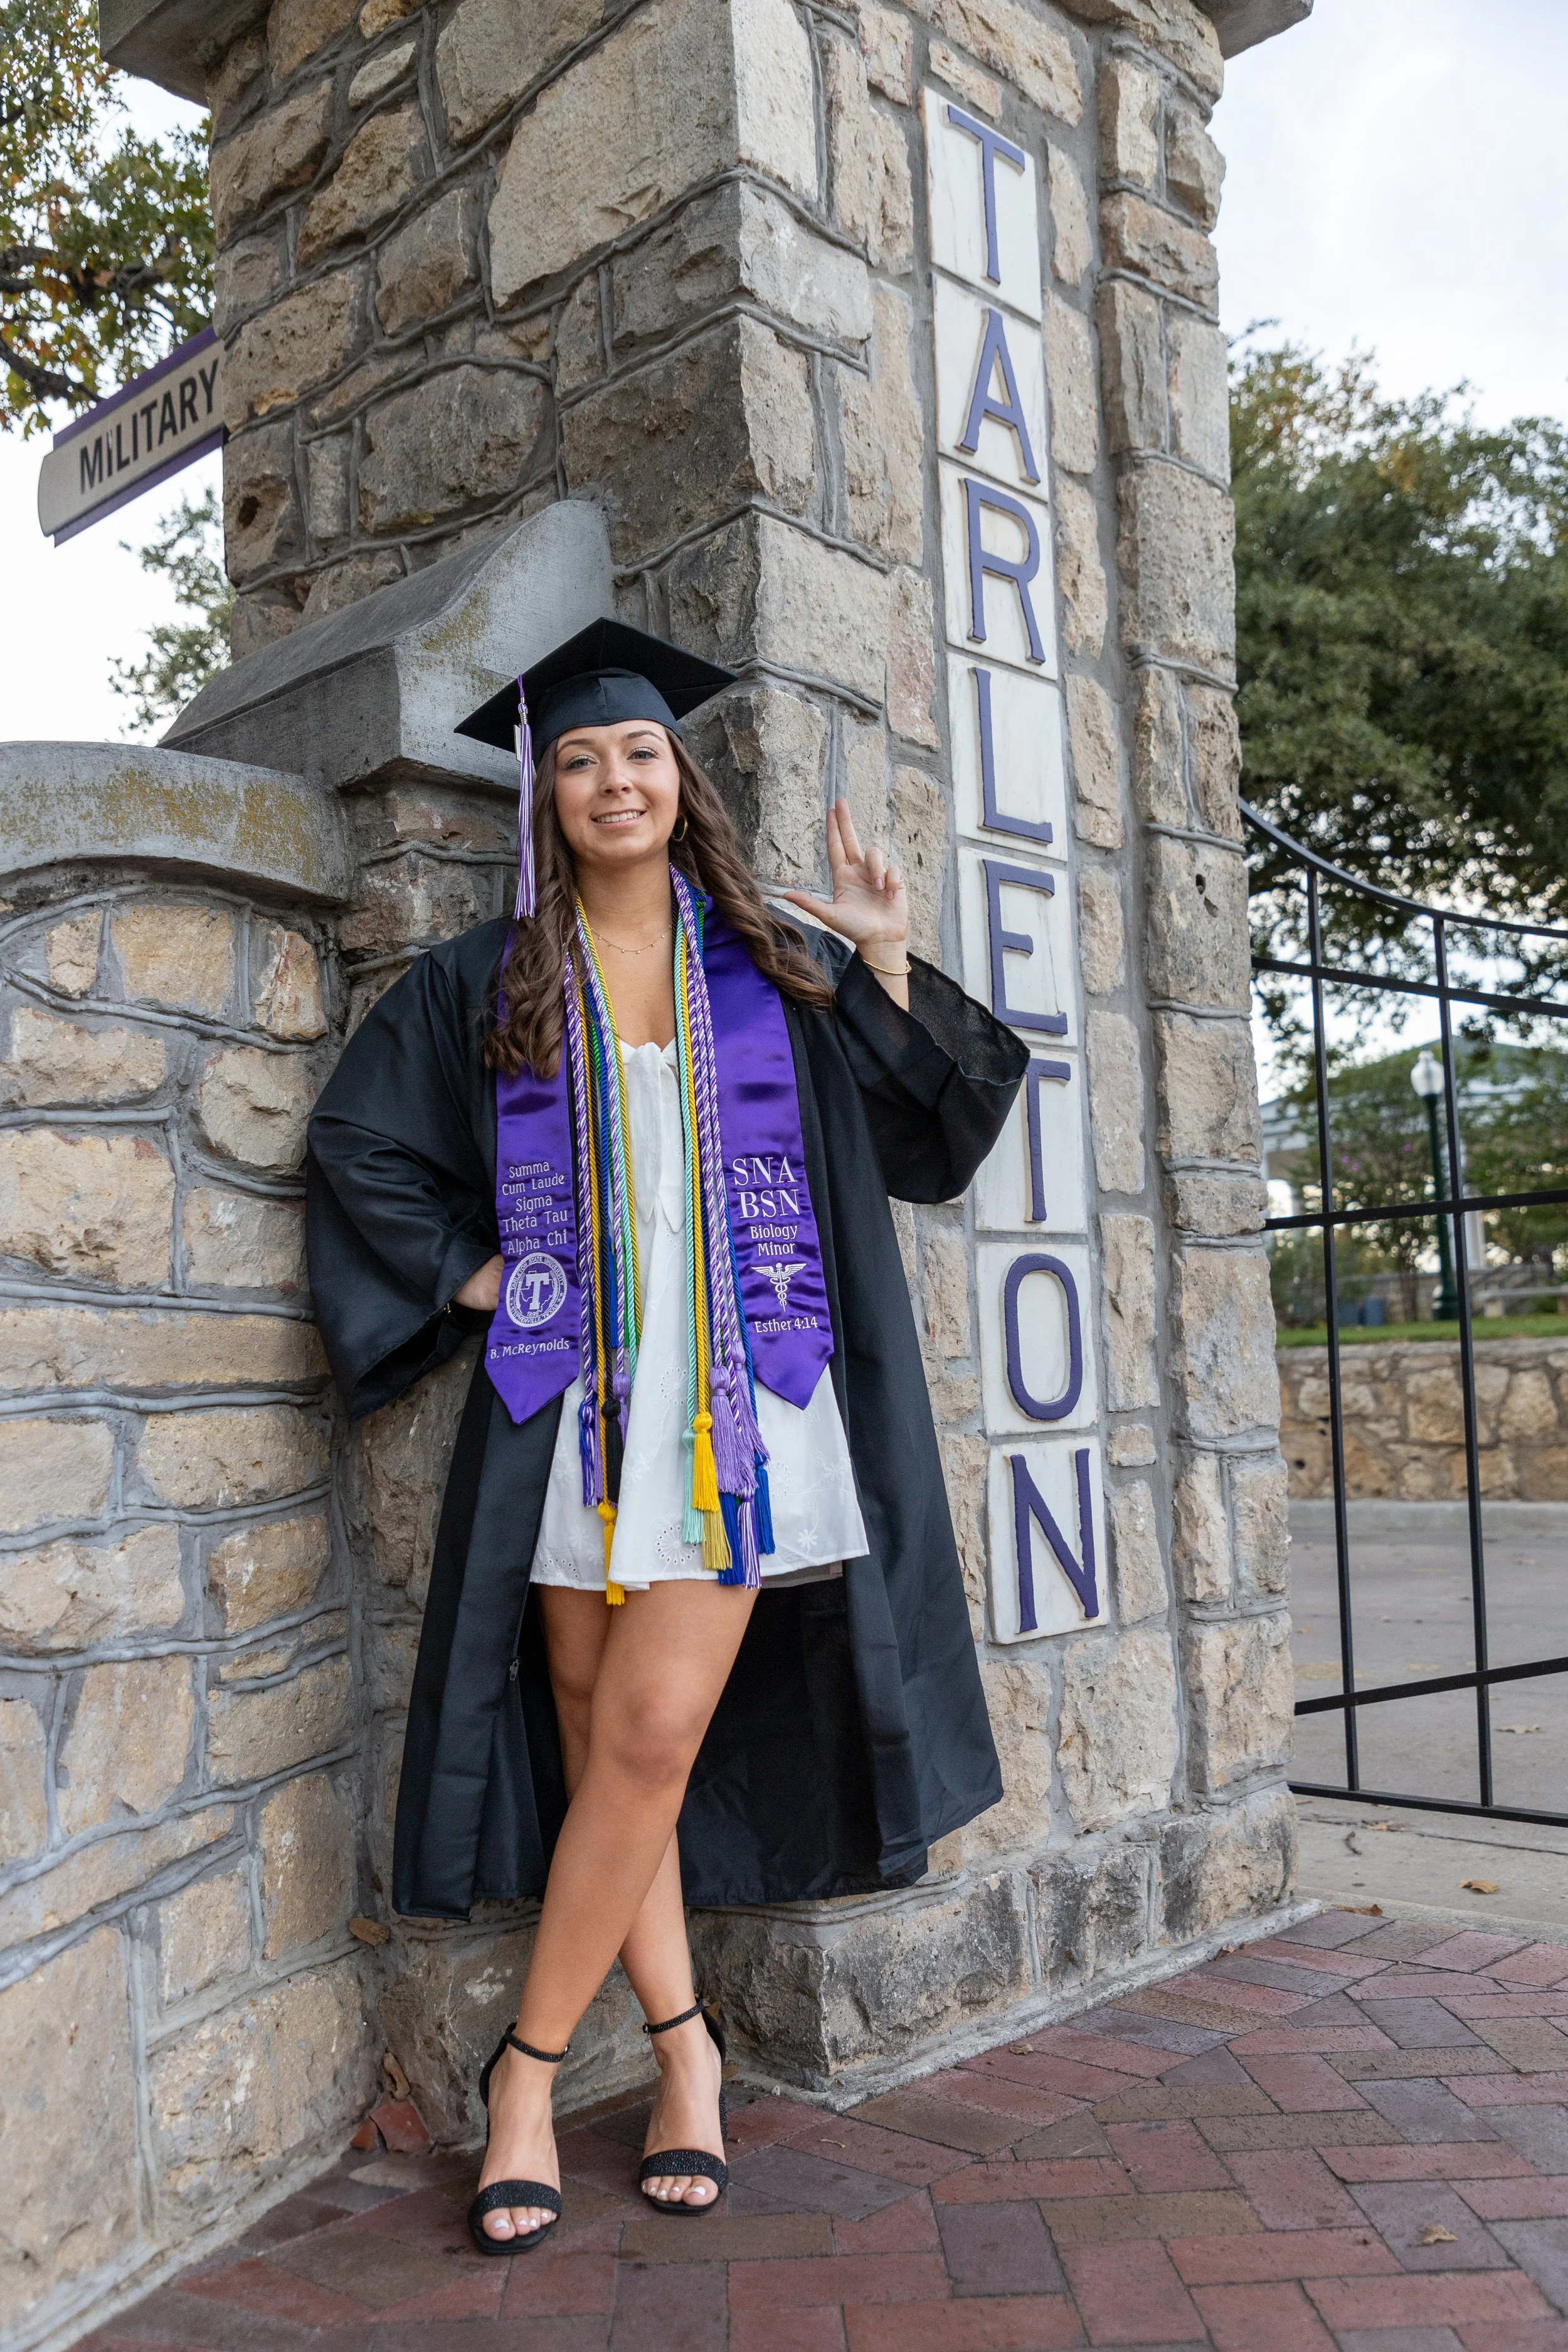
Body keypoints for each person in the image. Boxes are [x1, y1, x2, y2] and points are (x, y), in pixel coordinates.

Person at [307, 618, 1027, 2254]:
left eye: (634, 753)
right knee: (591, 1739)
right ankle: (688, 2052)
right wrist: (470, 1271)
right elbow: (359, 1143)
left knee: (643, 1740)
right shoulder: (489, 984)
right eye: (576, 760)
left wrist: (889, 957)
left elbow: (933, 1136)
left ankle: (526, 2073)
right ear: (543, 799)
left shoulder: (779, 959)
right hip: (567, 1418)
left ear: (677, 775)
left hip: (746, 1417)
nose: (610, 780)